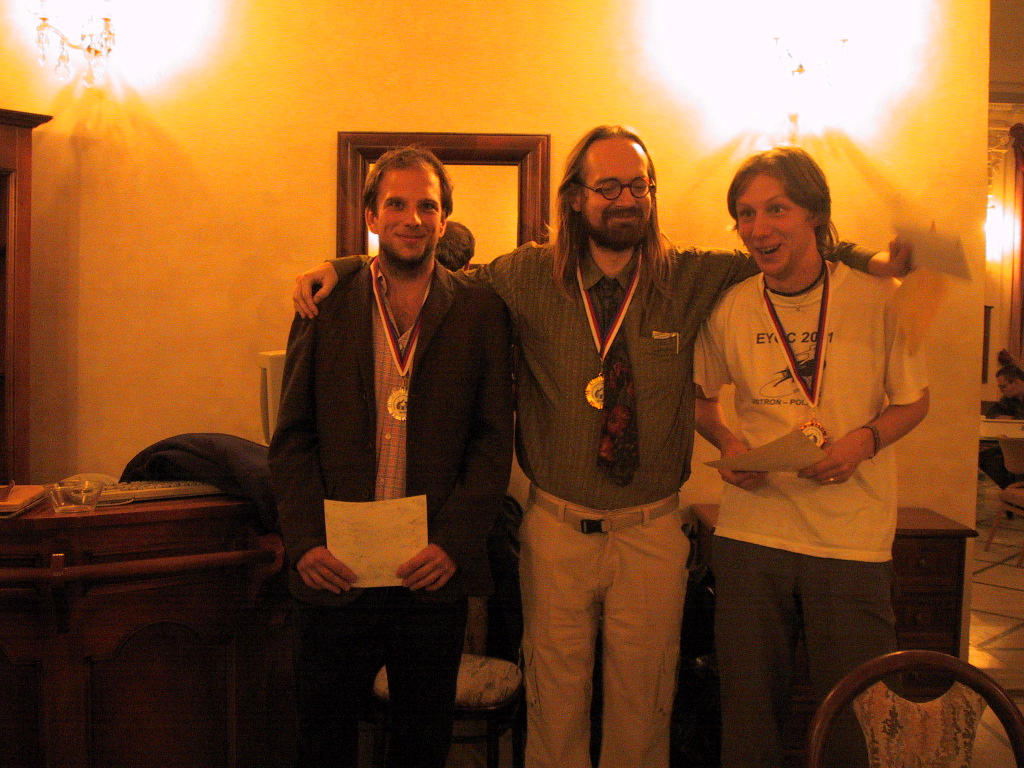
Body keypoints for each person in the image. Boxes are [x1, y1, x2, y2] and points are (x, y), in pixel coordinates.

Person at [290, 126, 906, 768]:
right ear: (575, 197)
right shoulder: (525, 275)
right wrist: (342, 267)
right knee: (554, 712)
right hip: (556, 532)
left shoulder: (691, 276)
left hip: (652, 535)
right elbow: (427, 264)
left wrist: (870, 260)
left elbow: (782, 247)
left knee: (644, 713)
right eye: (607, 187)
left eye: (638, 186)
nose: (624, 200)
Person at [268, 146, 514, 768]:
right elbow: (293, 437)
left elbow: (492, 443)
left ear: (444, 218)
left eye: (426, 205)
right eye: (396, 204)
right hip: (334, 569)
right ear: (371, 216)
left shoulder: (480, 311)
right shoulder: (323, 304)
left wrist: (452, 545)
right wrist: (305, 543)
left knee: (420, 748)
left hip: (428, 572)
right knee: (323, 745)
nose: (412, 218)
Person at [693, 146, 929, 768]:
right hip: (752, 536)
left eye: (776, 209)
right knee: (748, 717)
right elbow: (698, 397)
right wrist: (729, 443)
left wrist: (864, 442)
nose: (758, 228)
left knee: (857, 717)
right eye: (745, 214)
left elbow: (914, 402)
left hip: (850, 541)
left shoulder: (878, 298)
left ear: (816, 214)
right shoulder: (731, 304)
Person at [979, 349, 1024, 487]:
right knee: (982, 457)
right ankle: (1008, 489)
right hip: (1015, 443)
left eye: (1003, 386)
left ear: (1017, 383)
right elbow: (991, 413)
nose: (1001, 390)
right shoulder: (1010, 399)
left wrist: (1014, 419)